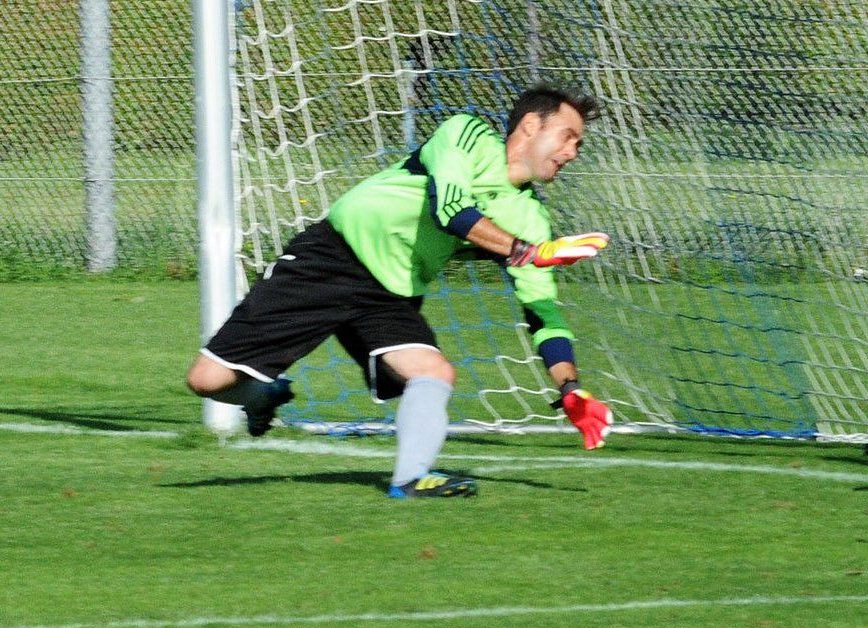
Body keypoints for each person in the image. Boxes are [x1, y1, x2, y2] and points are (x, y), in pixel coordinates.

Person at [185, 86, 610, 498]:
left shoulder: (530, 218)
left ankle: (410, 480)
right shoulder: (466, 134)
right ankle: (264, 393)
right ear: (531, 125)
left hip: (390, 293)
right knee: (207, 380)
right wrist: (528, 253)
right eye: (567, 136)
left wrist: (570, 388)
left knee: (434, 372)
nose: (572, 152)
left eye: (578, 144)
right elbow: (452, 211)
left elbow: (542, 314)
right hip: (331, 259)